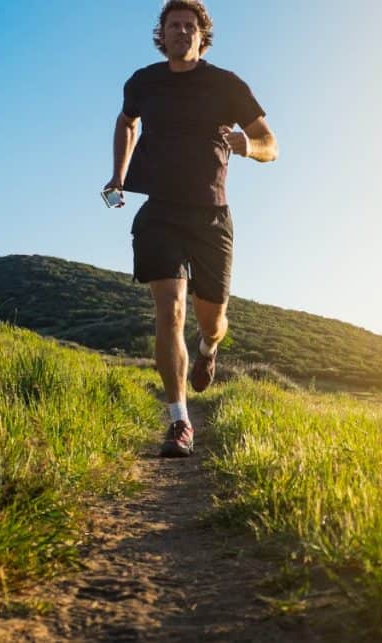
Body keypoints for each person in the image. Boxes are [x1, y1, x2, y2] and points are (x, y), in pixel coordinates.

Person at [103, 0, 277, 457]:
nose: (181, 32)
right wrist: (119, 174)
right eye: (173, 25)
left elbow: (271, 144)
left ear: (202, 35)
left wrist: (248, 146)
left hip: (210, 216)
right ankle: (179, 421)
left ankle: (208, 349)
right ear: (162, 34)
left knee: (211, 320)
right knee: (169, 312)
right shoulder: (143, 82)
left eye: (189, 26)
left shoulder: (225, 85)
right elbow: (127, 122)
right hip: (160, 211)